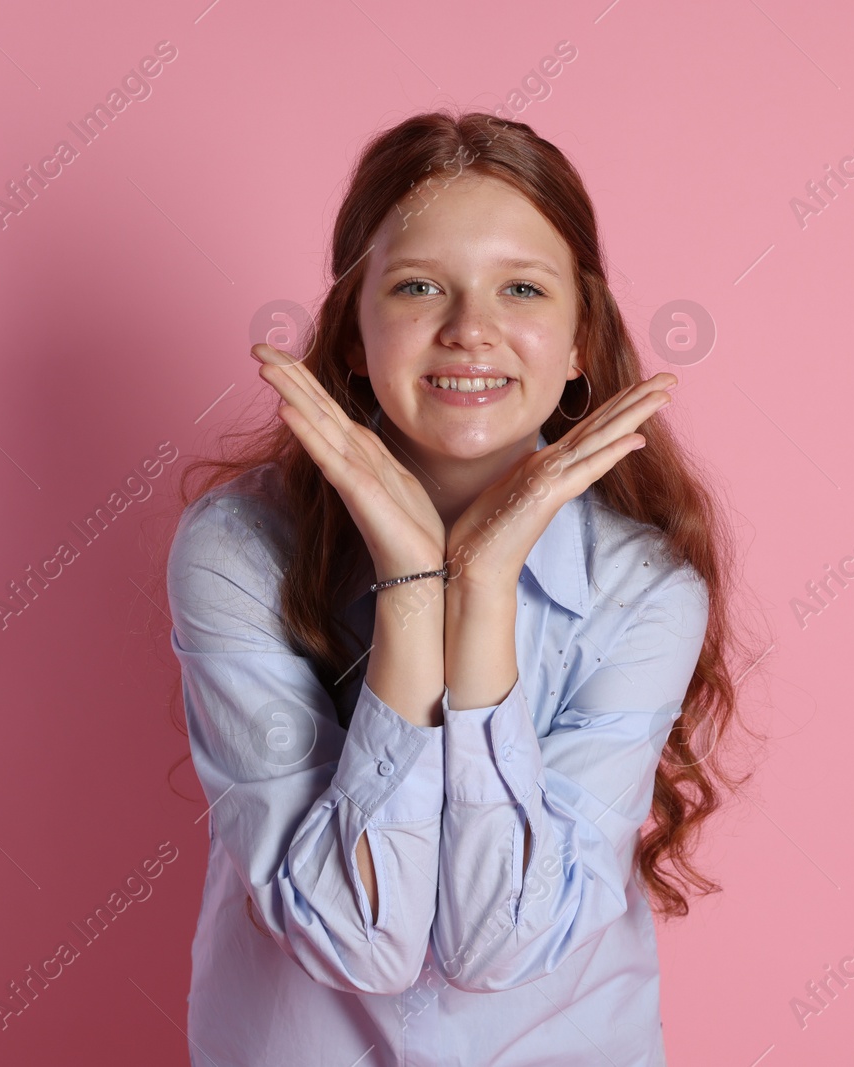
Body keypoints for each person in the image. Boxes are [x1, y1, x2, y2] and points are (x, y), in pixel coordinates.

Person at [165, 110, 754, 1067]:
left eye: (520, 287)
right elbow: (357, 940)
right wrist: (411, 589)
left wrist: (480, 596)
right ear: (353, 337)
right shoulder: (240, 547)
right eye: (418, 286)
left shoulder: (645, 590)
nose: (470, 330)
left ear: (578, 345)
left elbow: (499, 946)